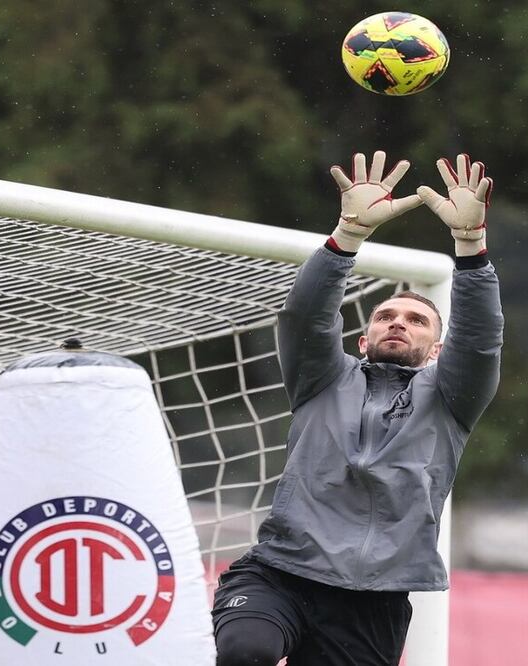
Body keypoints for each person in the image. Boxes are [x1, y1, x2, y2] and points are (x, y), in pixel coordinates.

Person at [212, 151, 503, 665]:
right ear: (363, 340)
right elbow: (304, 316)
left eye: (417, 320)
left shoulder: (452, 399)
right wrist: (348, 235)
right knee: (246, 650)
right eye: (386, 315)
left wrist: (470, 246)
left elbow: (480, 342)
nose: (398, 322)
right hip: (281, 571)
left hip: (373, 601)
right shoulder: (323, 378)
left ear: (437, 350)